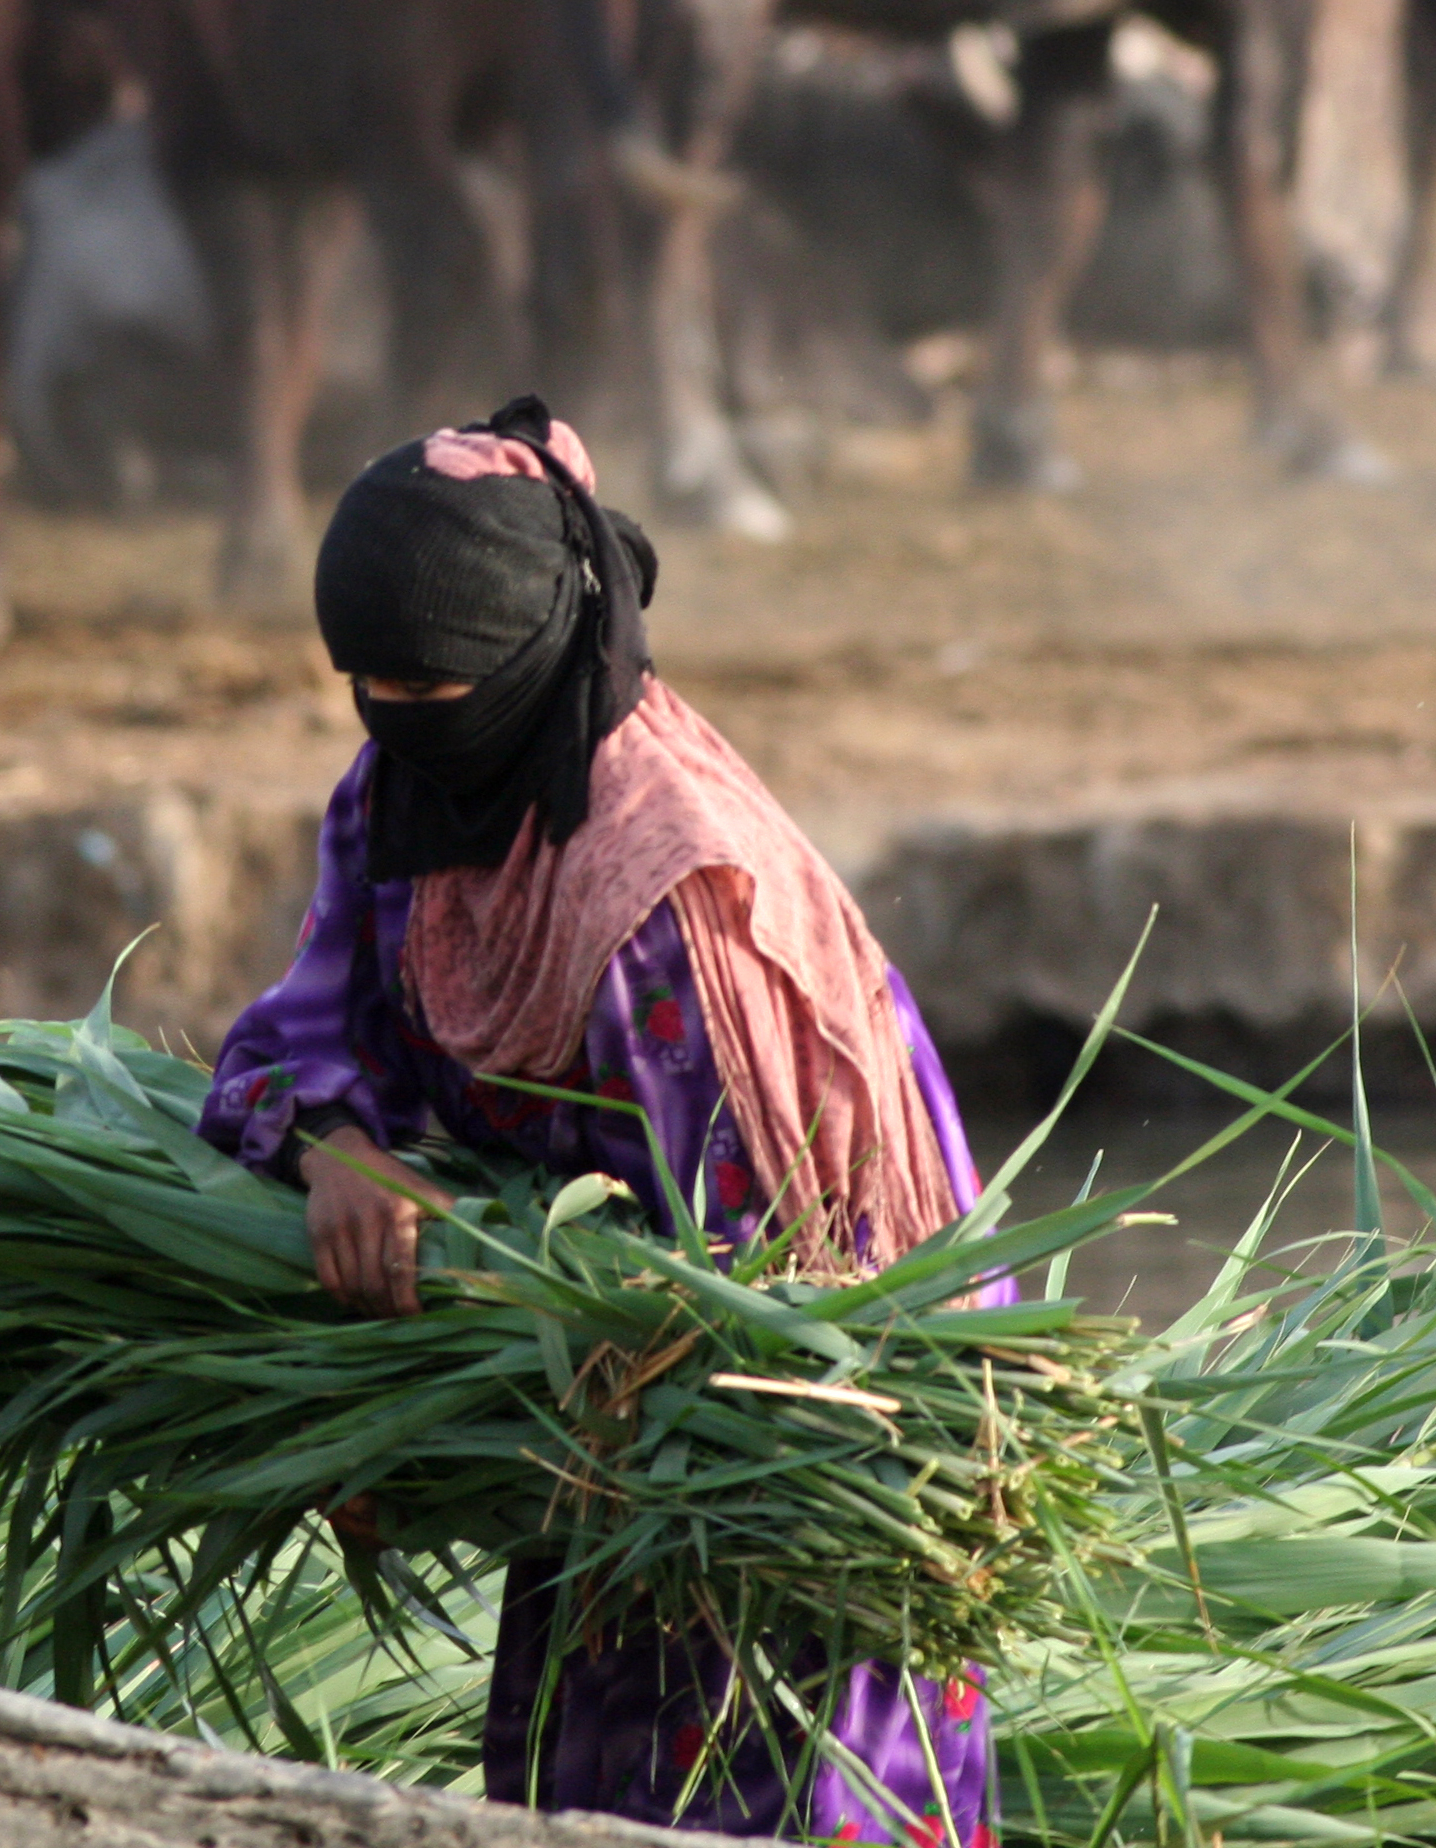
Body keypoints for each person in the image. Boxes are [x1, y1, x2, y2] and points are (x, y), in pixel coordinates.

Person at [199, 397, 1005, 1845]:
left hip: (777, 1445)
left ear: (517, 658)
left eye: (419, 685)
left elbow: (754, 1299)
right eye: (360, 682)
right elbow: (301, 1026)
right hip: (595, 1434)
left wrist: (436, 1415)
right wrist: (338, 1145)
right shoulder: (412, 787)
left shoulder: (664, 907)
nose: (385, 716)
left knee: (757, 1782)